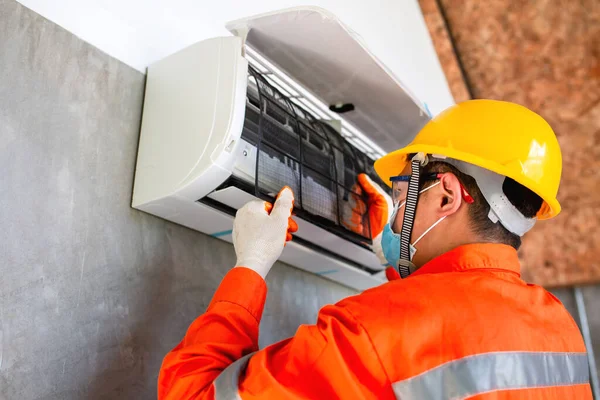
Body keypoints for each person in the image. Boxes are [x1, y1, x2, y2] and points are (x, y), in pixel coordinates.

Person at [158, 100, 593, 399]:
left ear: (445, 197)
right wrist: (394, 254)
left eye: (403, 196)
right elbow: (449, 333)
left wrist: (249, 266)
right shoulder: (559, 330)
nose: (397, 211)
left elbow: (191, 394)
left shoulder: (372, 331)